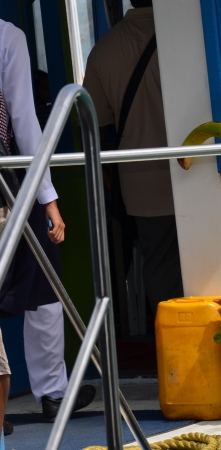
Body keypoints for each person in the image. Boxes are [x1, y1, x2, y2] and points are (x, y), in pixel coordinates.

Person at [0, 19, 96, 428]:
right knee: (44, 284)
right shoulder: (7, 36)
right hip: (7, 182)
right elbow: (23, 118)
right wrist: (48, 198)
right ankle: (53, 393)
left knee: (41, 285)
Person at [83, 0, 183, 317]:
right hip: (201, 168)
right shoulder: (186, 35)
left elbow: (94, 123)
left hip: (142, 182)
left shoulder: (103, 49)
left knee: (160, 267)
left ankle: (168, 345)